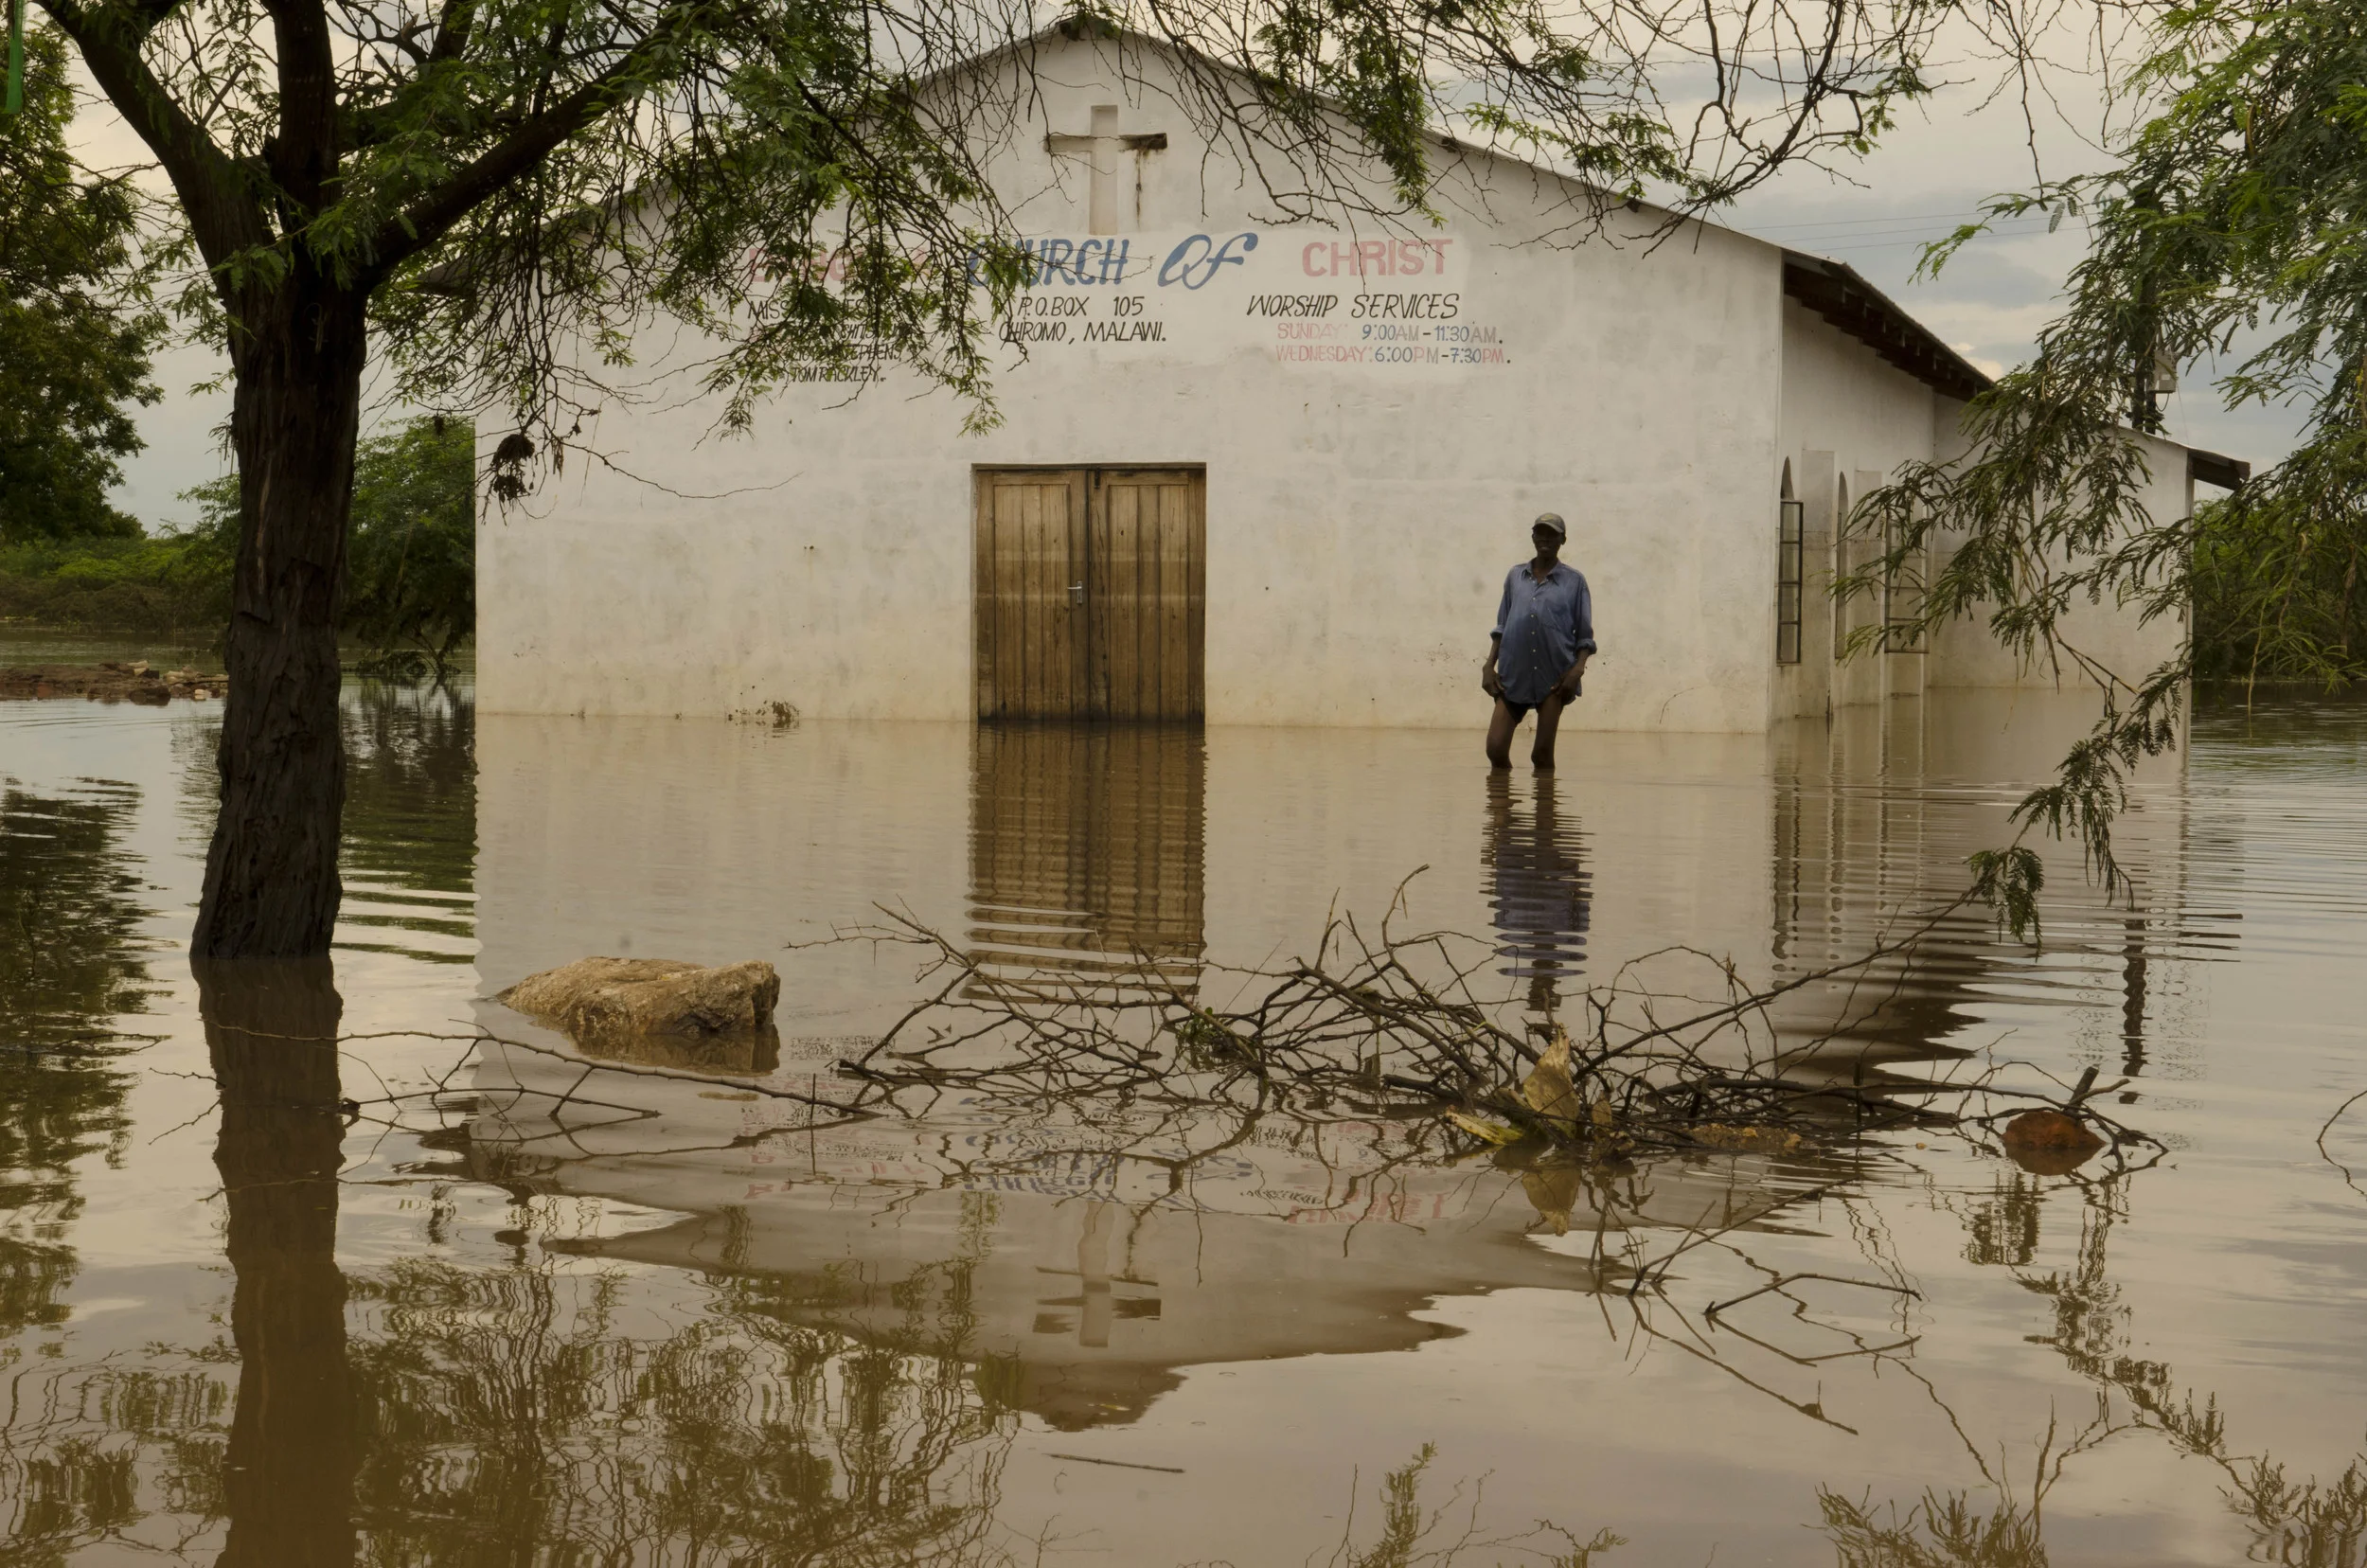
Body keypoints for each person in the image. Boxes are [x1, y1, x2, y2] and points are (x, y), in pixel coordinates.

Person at [1482, 513, 1596, 769]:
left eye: (1552, 534)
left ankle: (1546, 808)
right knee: (1495, 749)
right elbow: (1501, 626)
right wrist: (1489, 666)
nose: (1545, 538)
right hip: (1513, 674)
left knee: (1541, 754)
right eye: (1540, 533)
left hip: (1554, 677)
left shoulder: (1574, 582)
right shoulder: (1515, 576)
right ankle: (1504, 807)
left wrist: (1576, 671)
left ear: (1562, 540)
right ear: (1533, 537)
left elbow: (1585, 636)